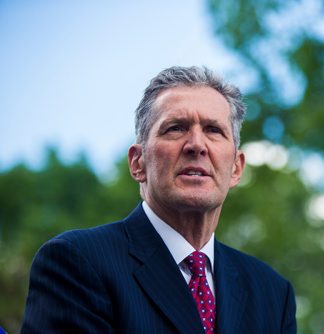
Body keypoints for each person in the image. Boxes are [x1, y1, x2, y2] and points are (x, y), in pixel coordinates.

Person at [21, 66, 296, 333]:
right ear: (137, 162)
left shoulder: (272, 292)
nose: (197, 145)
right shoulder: (77, 262)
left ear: (236, 167)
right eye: (176, 128)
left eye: (213, 130)